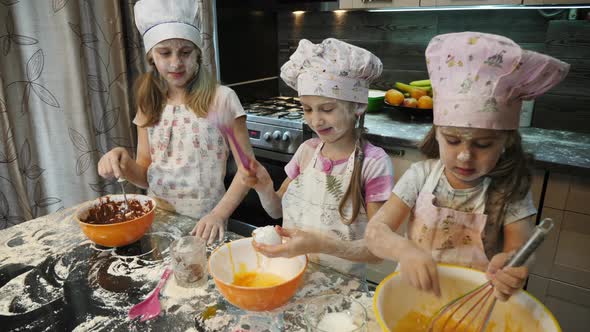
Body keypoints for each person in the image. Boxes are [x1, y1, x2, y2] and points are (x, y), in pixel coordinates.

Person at [365, 32, 569, 300]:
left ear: (505, 142)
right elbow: (375, 233)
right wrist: (404, 250)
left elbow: (521, 252)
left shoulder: (510, 189)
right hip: (410, 296)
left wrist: (513, 266)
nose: (464, 156)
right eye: (452, 141)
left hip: (474, 302)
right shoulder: (421, 176)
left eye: (483, 145)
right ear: (436, 135)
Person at [97, 0, 253, 244]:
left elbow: (248, 168)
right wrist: (122, 162)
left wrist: (218, 215)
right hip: (157, 219)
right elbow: (145, 173)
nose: (176, 63)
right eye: (165, 52)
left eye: (185, 52)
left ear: (198, 54)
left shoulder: (221, 99)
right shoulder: (149, 102)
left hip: (205, 224)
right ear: (151, 57)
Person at [240, 38, 394, 279]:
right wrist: (264, 188)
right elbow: (276, 210)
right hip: (291, 276)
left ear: (358, 105)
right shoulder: (307, 151)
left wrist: (319, 244)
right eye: (307, 108)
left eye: (327, 109)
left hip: (344, 290)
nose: (315, 121)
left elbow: (379, 250)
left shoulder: (373, 164)